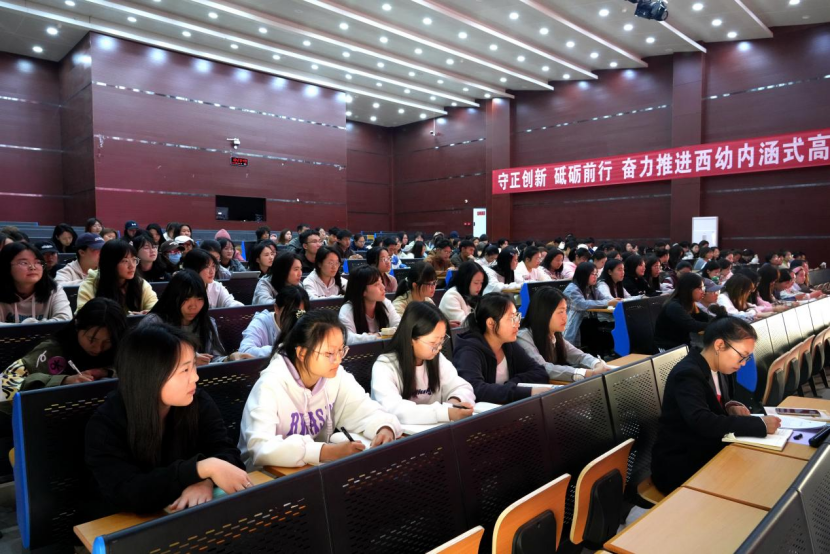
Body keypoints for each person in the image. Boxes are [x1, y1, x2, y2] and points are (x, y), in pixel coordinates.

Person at [85, 324, 250, 514]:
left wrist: (205, 480)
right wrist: (200, 469)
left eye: (193, 366)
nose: (195, 377)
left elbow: (228, 454)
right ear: (150, 376)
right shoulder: (106, 424)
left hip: (185, 518)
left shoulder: (197, 402)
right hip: (122, 526)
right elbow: (128, 492)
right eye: (185, 370)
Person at [238, 310, 401, 469]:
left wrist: (384, 427)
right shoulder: (269, 385)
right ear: (302, 353)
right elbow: (261, 448)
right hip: (265, 476)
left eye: (341, 350)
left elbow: (363, 408)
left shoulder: (335, 376)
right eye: (329, 353)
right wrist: (326, 451)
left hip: (313, 469)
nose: (337, 360)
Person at [651, 316, 780, 494]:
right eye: (742, 356)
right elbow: (702, 420)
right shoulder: (687, 374)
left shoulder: (719, 367)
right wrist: (759, 424)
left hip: (707, 449)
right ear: (719, 345)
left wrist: (730, 406)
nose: (743, 363)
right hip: (681, 463)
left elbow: (714, 402)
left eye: (747, 358)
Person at [1, 298, 127, 402]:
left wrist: (107, 372)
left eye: (107, 342)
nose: (98, 348)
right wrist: (63, 381)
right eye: (91, 339)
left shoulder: (120, 349)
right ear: (77, 325)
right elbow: (5, 384)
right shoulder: (52, 350)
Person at [372, 302, 475, 424]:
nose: (439, 347)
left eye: (442, 340)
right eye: (433, 343)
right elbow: (393, 409)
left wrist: (454, 403)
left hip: (439, 429)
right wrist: (444, 412)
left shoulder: (437, 358)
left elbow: (462, 387)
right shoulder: (384, 366)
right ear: (411, 339)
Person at [452, 293, 549, 404]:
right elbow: (475, 390)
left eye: (517, 316)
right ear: (491, 323)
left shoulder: (508, 344)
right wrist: (525, 392)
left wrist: (511, 384)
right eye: (511, 318)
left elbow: (540, 372)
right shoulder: (468, 351)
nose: (517, 323)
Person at [141, 270, 251, 365]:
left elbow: (213, 359)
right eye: (186, 299)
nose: (193, 306)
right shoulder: (154, 323)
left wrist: (229, 359)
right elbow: (146, 361)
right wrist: (186, 359)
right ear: (173, 297)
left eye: (199, 299)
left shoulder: (207, 322)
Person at [517, 287, 613, 383]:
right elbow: (543, 368)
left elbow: (579, 355)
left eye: (565, 311)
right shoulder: (523, 337)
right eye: (560, 312)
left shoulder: (554, 334)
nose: (565, 317)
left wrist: (597, 364)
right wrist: (588, 373)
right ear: (544, 313)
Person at [76, 239, 157, 315]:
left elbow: (155, 308)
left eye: (134, 260)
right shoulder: (90, 286)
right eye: (125, 261)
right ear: (110, 264)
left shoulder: (140, 284)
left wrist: (148, 314)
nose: (132, 266)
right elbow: (82, 317)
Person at [0, 242, 72, 325]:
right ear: (6, 266)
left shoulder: (53, 289)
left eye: (38, 262)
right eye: (24, 263)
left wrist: (26, 327)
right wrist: (29, 327)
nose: (33, 267)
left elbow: (65, 320)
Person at [239, 286, 309, 358]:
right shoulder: (261, 322)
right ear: (276, 308)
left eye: (300, 313)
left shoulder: (305, 323)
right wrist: (281, 349)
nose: (295, 317)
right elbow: (244, 351)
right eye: (291, 312)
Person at [339, 265, 401, 344]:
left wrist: (381, 335)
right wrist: (377, 336)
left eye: (381, 282)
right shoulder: (347, 310)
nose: (383, 287)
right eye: (376, 284)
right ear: (362, 291)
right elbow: (347, 339)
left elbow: (400, 326)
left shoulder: (385, 303)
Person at [563, 262, 619, 347]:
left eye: (596, 274)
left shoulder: (591, 288)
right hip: (575, 325)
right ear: (583, 275)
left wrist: (612, 301)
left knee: (612, 329)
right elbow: (582, 305)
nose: (595, 277)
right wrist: (608, 303)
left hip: (589, 322)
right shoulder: (571, 290)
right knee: (601, 334)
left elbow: (604, 298)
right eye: (593, 274)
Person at [654, 273, 716, 350]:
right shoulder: (674, 306)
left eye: (703, 288)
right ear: (689, 289)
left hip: (682, 346)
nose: (703, 292)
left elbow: (704, 317)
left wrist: (722, 320)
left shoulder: (689, 303)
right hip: (667, 349)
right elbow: (693, 325)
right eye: (700, 288)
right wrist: (716, 324)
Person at [439, 261, 487, 327]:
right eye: (476, 283)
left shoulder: (472, 294)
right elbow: (464, 323)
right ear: (465, 281)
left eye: (481, 283)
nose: (479, 287)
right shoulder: (451, 296)